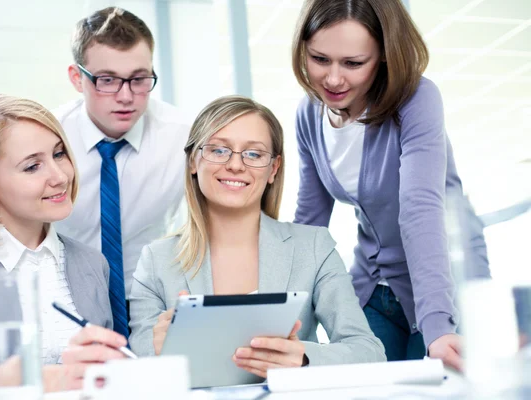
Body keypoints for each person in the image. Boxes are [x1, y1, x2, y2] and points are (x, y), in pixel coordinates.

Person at [291, 0, 489, 370]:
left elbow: (420, 209)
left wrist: (438, 329)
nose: (333, 79)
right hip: (373, 285)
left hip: (441, 288)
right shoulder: (308, 113)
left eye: (353, 63)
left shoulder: (416, 99)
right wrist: (290, 325)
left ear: (383, 55)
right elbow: (309, 225)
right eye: (320, 59)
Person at [128, 95, 386, 378]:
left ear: (273, 169)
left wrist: (303, 358)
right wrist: (158, 352)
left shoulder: (313, 247)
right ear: (193, 161)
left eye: (253, 154)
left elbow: (368, 350)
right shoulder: (156, 260)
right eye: (218, 150)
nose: (236, 165)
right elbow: (138, 367)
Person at [0, 95, 128, 399]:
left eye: (59, 154)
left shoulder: (91, 262)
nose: (60, 176)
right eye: (33, 166)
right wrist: (68, 377)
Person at [53, 7, 190, 337]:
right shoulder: (48, 139)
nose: (126, 97)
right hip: (66, 309)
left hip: (153, 306)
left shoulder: (183, 138)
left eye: (139, 79)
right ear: (77, 78)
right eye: (108, 80)